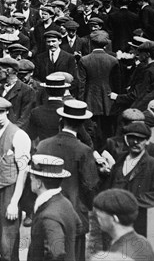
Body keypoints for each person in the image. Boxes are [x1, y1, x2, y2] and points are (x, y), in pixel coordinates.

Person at [36, 100, 99, 261]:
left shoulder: (43, 145)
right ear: (81, 125)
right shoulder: (84, 150)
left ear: (61, 120)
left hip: (45, 211)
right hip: (74, 214)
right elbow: (90, 185)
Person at [0, 95, 31, 261]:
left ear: (7, 111)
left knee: (9, 240)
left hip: (10, 189)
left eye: (1, 112)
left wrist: (14, 203)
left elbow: (22, 172)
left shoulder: (19, 135)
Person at [105, 121, 154, 236]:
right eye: (131, 138)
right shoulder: (119, 161)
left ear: (147, 141)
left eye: (140, 139)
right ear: (126, 139)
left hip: (136, 224)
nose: (135, 142)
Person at [27, 154, 81, 261]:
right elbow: (78, 227)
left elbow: (57, 253)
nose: (30, 180)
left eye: (32, 178)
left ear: (38, 183)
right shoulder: (65, 202)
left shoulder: (48, 216)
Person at [93, 188, 154, 261]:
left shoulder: (117, 256)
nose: (98, 220)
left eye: (99, 216)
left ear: (114, 218)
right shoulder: (144, 242)